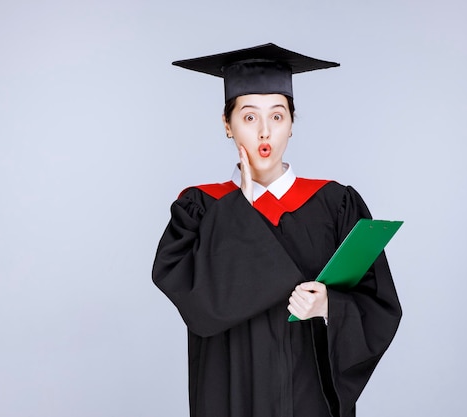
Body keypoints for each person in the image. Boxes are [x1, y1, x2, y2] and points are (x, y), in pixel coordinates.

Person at [152, 43, 401, 417]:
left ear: (292, 123)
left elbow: (379, 305)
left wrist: (329, 305)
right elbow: (196, 302)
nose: (265, 132)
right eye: (249, 117)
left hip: (309, 397)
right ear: (227, 124)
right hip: (232, 394)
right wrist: (242, 208)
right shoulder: (200, 209)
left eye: (278, 116)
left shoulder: (335, 205)